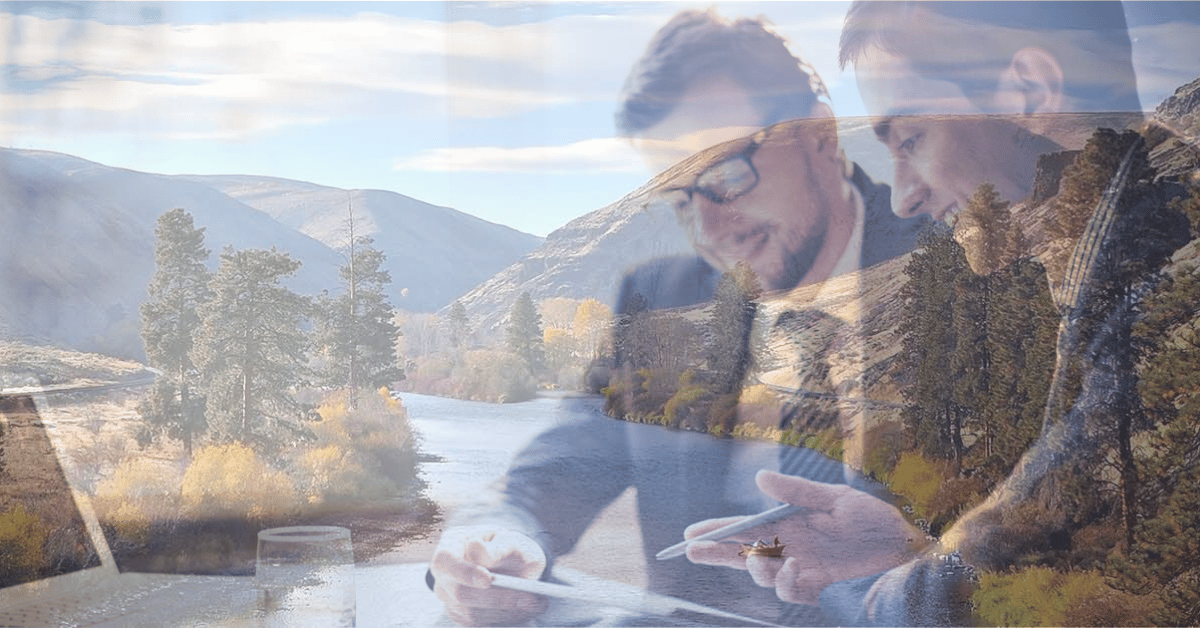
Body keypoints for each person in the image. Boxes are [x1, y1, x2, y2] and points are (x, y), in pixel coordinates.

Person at [681, 2, 1198, 624]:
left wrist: (866, 589)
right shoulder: (1128, 251)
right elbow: (1053, 539)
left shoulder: (1165, 289)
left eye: (912, 139)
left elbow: (1024, 559)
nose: (903, 198)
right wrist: (909, 549)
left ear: (1032, 90)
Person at [429, 10, 928, 627]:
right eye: (679, 197)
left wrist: (911, 552)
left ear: (820, 136)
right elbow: (559, 468)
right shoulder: (660, 300)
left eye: (726, 176)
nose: (709, 229)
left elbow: (1015, 554)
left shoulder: (972, 273)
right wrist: (494, 539)